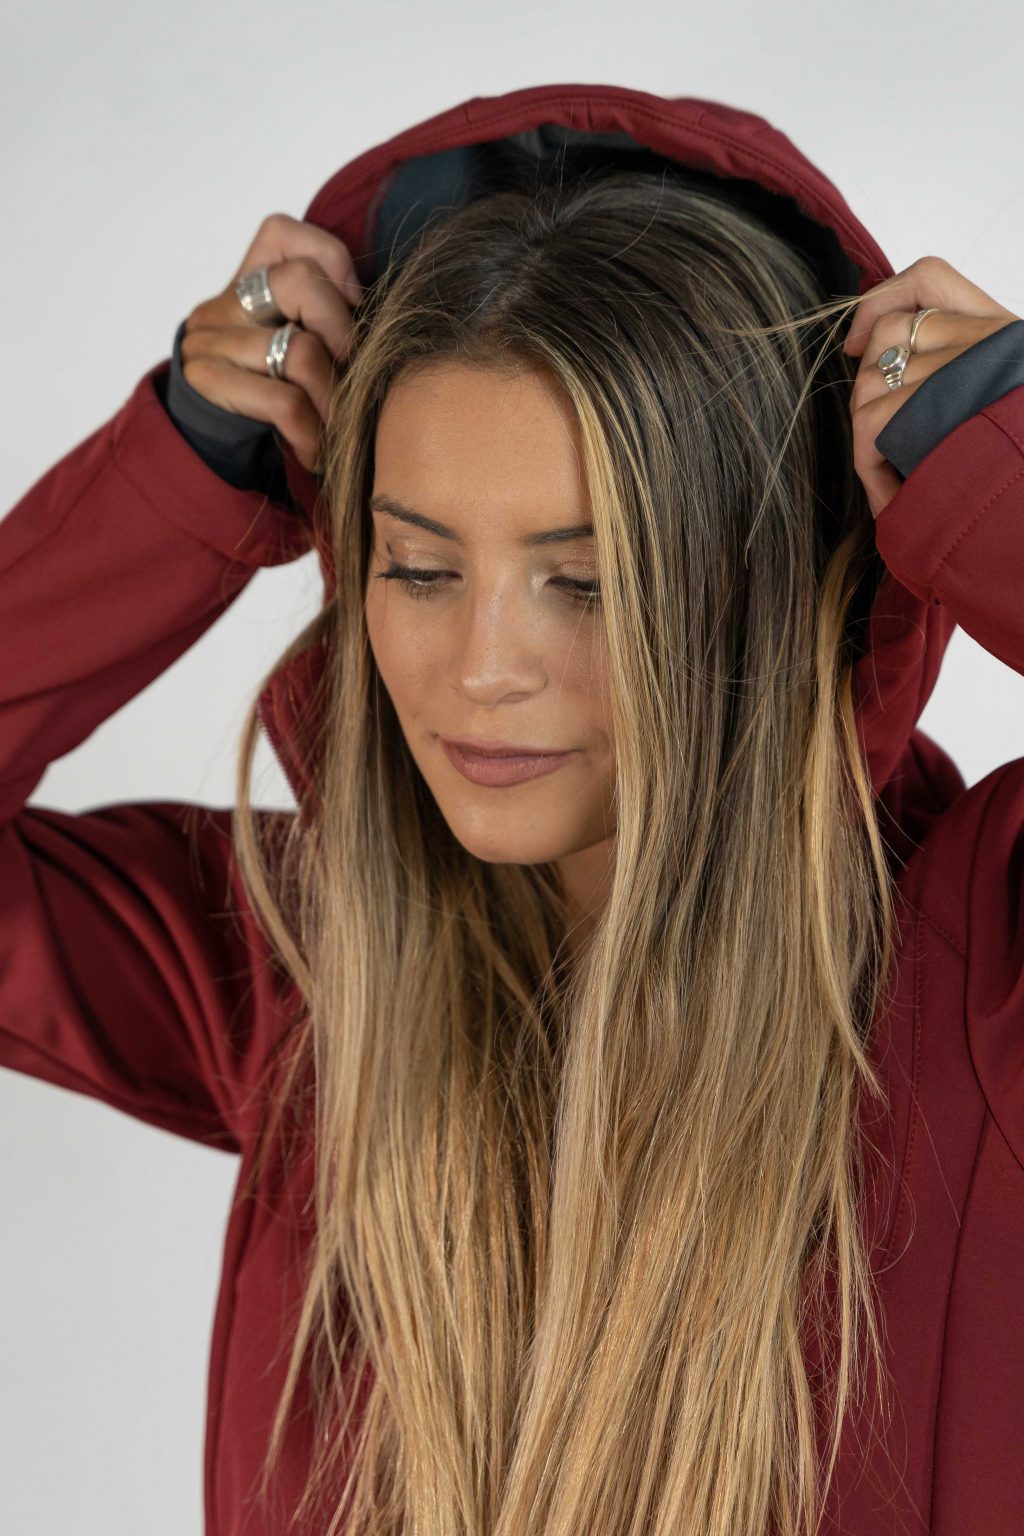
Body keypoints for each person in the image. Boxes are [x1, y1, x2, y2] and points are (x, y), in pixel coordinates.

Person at [3, 83, 1024, 1536]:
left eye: (591, 582)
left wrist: (997, 471)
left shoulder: (984, 979)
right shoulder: (303, 975)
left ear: (774, 580)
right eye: (420, 570)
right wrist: (176, 473)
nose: (483, 669)